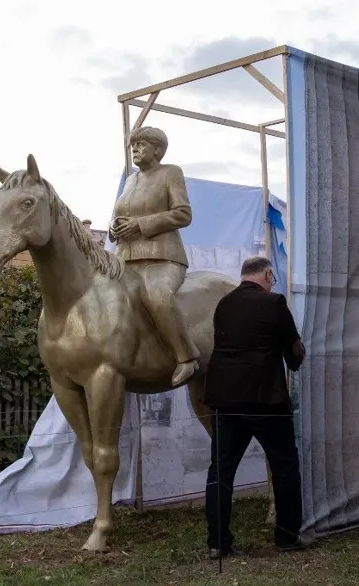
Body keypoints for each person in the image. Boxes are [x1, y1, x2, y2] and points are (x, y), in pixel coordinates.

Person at [202, 256, 309, 559]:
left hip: (224, 399)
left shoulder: (223, 305)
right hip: (266, 399)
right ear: (267, 274)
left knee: (220, 472)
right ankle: (287, 538)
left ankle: (217, 543)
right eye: (271, 277)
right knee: (285, 467)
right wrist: (294, 362)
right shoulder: (274, 303)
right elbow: (295, 348)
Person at [108, 126, 200, 387]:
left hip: (162, 258)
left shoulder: (171, 173)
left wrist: (139, 224)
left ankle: (186, 356)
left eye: (141, 144)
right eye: (133, 145)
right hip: (124, 258)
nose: (134, 149)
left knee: (156, 295)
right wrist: (115, 227)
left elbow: (183, 214)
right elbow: (122, 215)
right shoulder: (130, 180)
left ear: (157, 149)